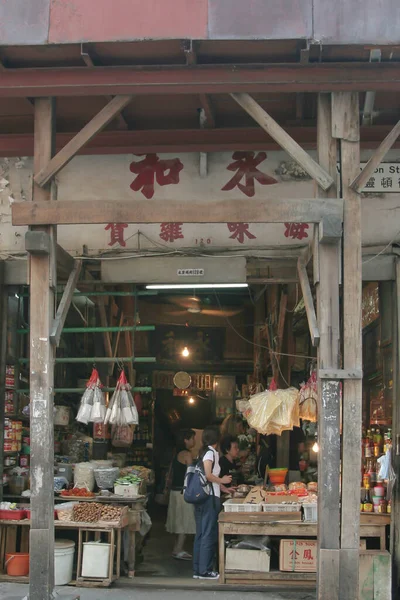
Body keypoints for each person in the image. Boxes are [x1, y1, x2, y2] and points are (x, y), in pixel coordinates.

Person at [193, 426, 233, 580]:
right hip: (209, 498)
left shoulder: (204, 451)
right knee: (208, 534)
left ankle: (198, 569)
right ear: (217, 439)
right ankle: (205, 571)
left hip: (205, 496)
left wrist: (224, 488)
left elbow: (208, 477)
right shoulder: (210, 453)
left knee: (201, 533)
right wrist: (222, 480)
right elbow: (209, 475)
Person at [166, 429, 196, 560]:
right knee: (184, 520)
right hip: (183, 492)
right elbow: (191, 474)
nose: (194, 441)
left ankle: (176, 548)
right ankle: (178, 549)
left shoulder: (176, 452)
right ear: (186, 440)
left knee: (179, 520)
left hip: (175, 491)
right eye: (192, 438)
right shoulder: (187, 454)